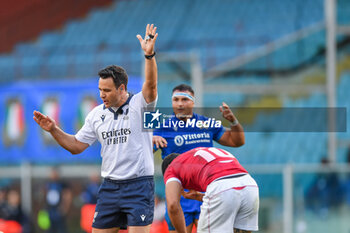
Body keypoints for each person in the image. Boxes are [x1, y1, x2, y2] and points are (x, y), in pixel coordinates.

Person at [33, 24, 159, 233]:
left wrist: (149, 56)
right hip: (109, 187)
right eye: (100, 89)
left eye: (107, 90)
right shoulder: (96, 114)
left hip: (139, 185)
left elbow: (152, 86)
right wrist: (53, 129)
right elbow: (75, 146)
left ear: (122, 88)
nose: (101, 94)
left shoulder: (140, 104)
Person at [153, 84, 245, 233]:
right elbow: (142, 153)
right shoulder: (163, 127)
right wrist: (150, 140)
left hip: (205, 194)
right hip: (179, 195)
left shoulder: (206, 123)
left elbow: (237, 141)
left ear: (193, 102)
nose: (180, 103)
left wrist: (233, 122)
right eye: (176, 100)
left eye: (184, 99)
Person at [162, 147, 259, 233]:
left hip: (222, 185)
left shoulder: (171, 168)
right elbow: (231, 190)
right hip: (249, 185)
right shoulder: (197, 154)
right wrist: (198, 196)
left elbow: (173, 205)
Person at [44, 168, 72, 233]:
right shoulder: (48, 184)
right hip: (50, 212)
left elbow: (67, 196)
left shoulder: (62, 184)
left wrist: (65, 208)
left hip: (59, 212)